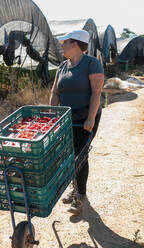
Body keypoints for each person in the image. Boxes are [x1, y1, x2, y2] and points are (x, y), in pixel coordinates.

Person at [49, 30, 104, 213]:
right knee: (67, 155)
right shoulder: (63, 66)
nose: (61, 45)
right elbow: (55, 93)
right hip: (66, 119)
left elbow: (96, 92)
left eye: (64, 42)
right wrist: (52, 116)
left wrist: (90, 117)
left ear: (75, 44)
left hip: (85, 118)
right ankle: (74, 189)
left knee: (80, 156)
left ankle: (80, 196)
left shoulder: (91, 63)